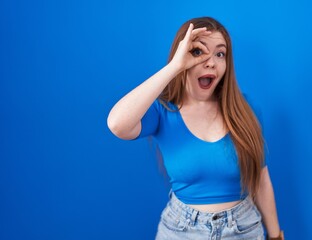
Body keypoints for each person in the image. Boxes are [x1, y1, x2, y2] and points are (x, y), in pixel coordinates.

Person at [107, 17, 284, 240]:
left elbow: (261, 178)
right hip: (181, 231)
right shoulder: (163, 113)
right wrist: (174, 67)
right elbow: (117, 124)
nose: (211, 62)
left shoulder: (246, 109)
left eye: (220, 54)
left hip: (244, 229)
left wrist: (276, 235)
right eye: (198, 52)